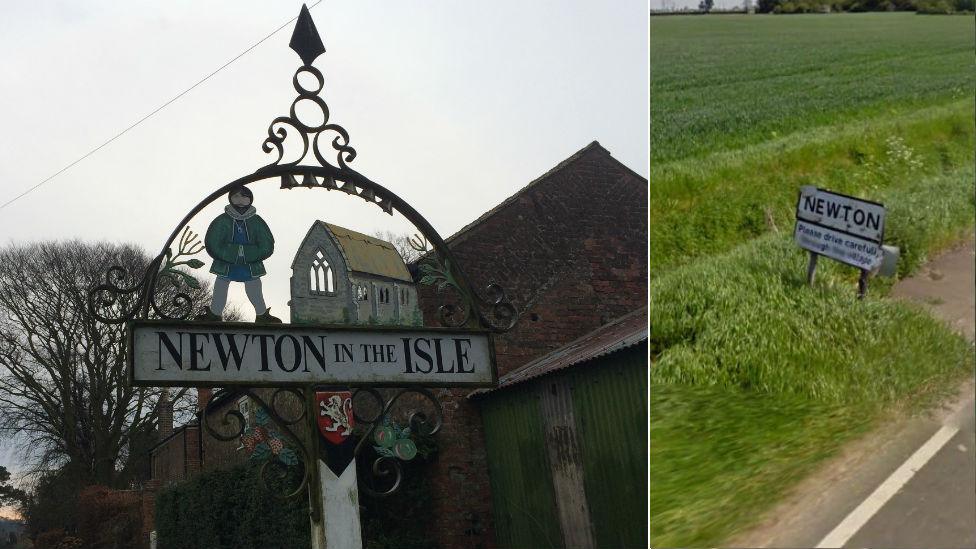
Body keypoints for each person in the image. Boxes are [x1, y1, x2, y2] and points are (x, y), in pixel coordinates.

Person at [198, 186, 281, 322]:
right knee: (221, 286)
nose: (240, 200)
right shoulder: (222, 220)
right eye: (236, 196)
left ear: (250, 199)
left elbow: (267, 245)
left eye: (244, 196)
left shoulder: (257, 221)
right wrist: (231, 252)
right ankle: (214, 314)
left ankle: (262, 314)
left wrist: (247, 253)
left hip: (250, 265)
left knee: (254, 288)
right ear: (230, 199)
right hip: (226, 263)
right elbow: (212, 242)